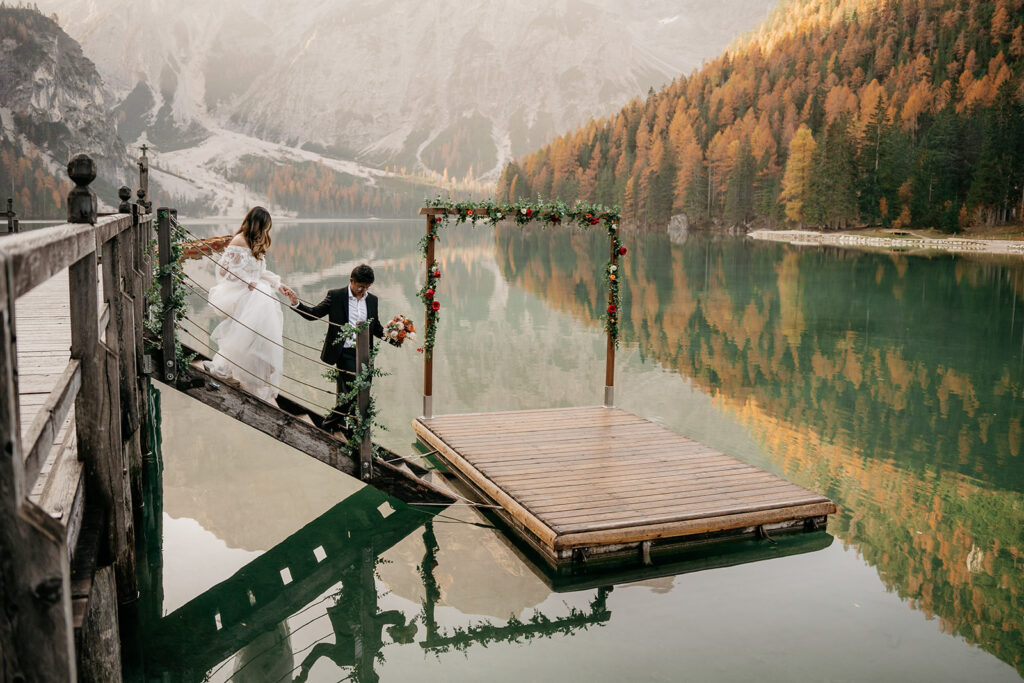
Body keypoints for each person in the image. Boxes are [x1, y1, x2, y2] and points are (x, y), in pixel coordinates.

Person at [203, 206, 296, 403]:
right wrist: (248, 282)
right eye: (265, 227)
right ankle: (227, 369)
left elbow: (259, 271)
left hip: (257, 293)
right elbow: (224, 270)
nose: (266, 232)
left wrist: (278, 285)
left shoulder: (256, 243)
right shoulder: (239, 241)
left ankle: (254, 380)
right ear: (257, 224)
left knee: (256, 338)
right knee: (245, 336)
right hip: (243, 294)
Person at [284, 264, 384, 432]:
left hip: (365, 355)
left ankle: (352, 433)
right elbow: (314, 314)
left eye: (366, 288)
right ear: (351, 281)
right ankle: (329, 423)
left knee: (361, 395)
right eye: (360, 286)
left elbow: (376, 328)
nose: (363, 291)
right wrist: (296, 303)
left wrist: (396, 335)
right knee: (355, 389)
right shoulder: (336, 296)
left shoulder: (372, 300)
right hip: (344, 352)